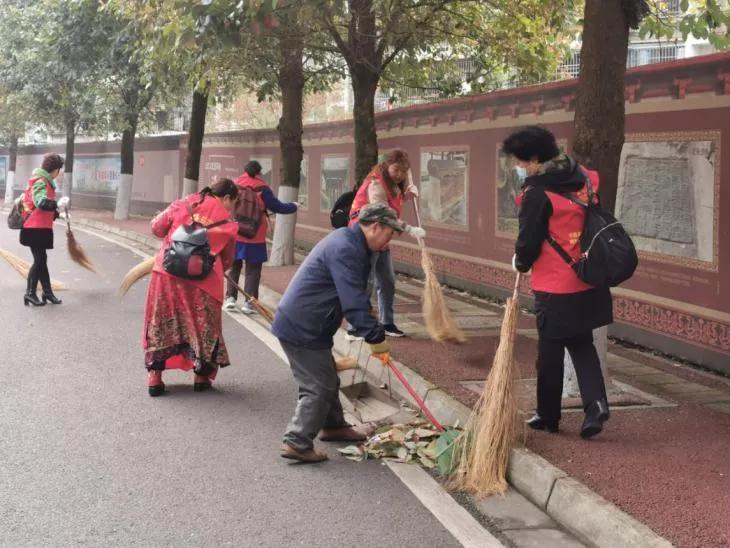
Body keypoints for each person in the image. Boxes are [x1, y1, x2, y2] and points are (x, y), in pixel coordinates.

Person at [503, 126, 612, 439]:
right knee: (581, 343)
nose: (519, 168)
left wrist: (520, 262)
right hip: (588, 278)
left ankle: (548, 415)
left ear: (535, 159)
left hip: (555, 285)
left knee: (550, 351)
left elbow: (528, 242)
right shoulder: (586, 178)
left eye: (521, 162)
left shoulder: (536, 194)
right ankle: (596, 405)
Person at [271, 203, 402, 463]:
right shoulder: (347, 248)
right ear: (375, 227)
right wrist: (375, 336)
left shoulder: (350, 241)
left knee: (327, 377)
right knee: (318, 386)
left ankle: (333, 426)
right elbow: (353, 300)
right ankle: (297, 441)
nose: (390, 240)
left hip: (311, 323)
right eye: (389, 233)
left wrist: (370, 323)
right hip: (302, 325)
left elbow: (355, 295)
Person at [143, 178, 239, 397]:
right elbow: (228, 260)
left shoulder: (183, 203)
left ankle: (155, 378)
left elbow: (156, 228)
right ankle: (201, 376)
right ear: (226, 198)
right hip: (203, 284)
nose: (231, 208)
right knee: (203, 326)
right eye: (232, 202)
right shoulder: (227, 221)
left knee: (161, 322)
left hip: (166, 276)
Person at [346, 149, 423, 338]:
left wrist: (407, 193)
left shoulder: (395, 183)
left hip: (381, 237)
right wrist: (409, 229)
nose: (400, 175)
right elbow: (383, 213)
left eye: (403, 171)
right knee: (366, 281)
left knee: (387, 281)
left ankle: (387, 323)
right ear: (386, 166)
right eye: (396, 170)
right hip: (365, 236)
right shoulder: (376, 184)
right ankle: (355, 327)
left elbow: (393, 199)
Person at [223, 160, 297, 314]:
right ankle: (249, 304)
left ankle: (230, 298)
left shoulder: (235, 185)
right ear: (258, 173)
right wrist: (294, 206)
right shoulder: (263, 188)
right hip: (255, 236)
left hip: (236, 233)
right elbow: (278, 207)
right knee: (253, 271)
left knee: (234, 267)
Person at [20, 153, 68, 306]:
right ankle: (30, 293)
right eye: (59, 170)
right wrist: (57, 204)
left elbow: (43, 208)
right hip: (34, 228)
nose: (58, 173)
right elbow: (40, 203)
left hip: (40, 228)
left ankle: (47, 293)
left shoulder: (45, 181)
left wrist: (58, 214)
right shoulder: (40, 182)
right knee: (39, 260)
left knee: (42, 260)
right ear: (55, 170)